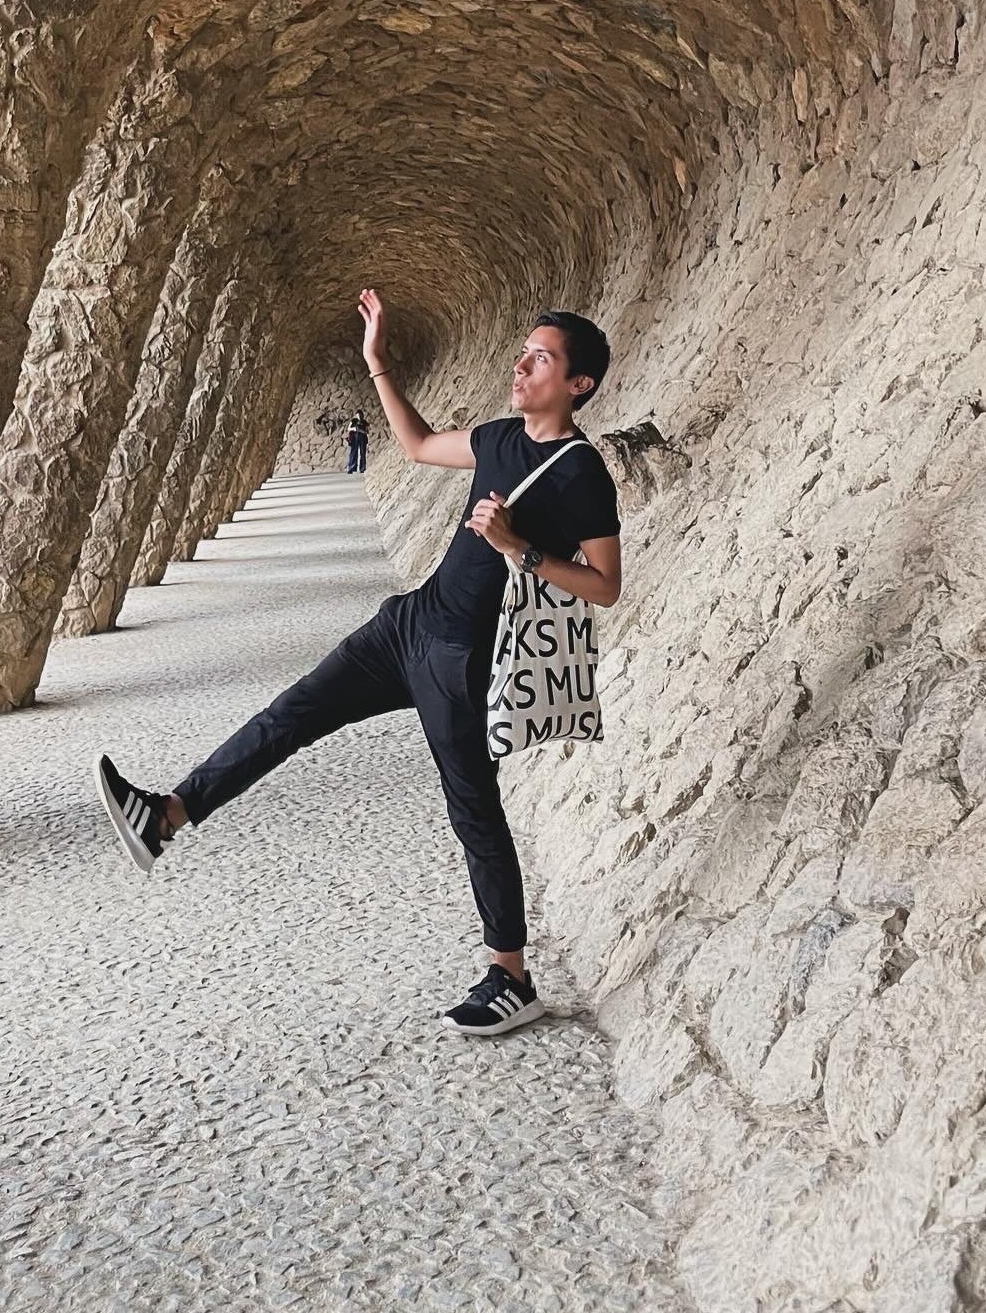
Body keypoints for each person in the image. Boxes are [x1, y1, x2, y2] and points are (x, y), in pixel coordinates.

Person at [96, 289, 623, 1035]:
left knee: (471, 806)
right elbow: (418, 445)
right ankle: (168, 814)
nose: (522, 364)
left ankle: (510, 975)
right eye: (524, 351)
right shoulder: (502, 437)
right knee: (293, 713)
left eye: (541, 358)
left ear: (579, 384)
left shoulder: (581, 472)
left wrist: (521, 550)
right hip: (410, 622)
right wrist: (376, 363)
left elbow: (605, 585)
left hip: (463, 658)